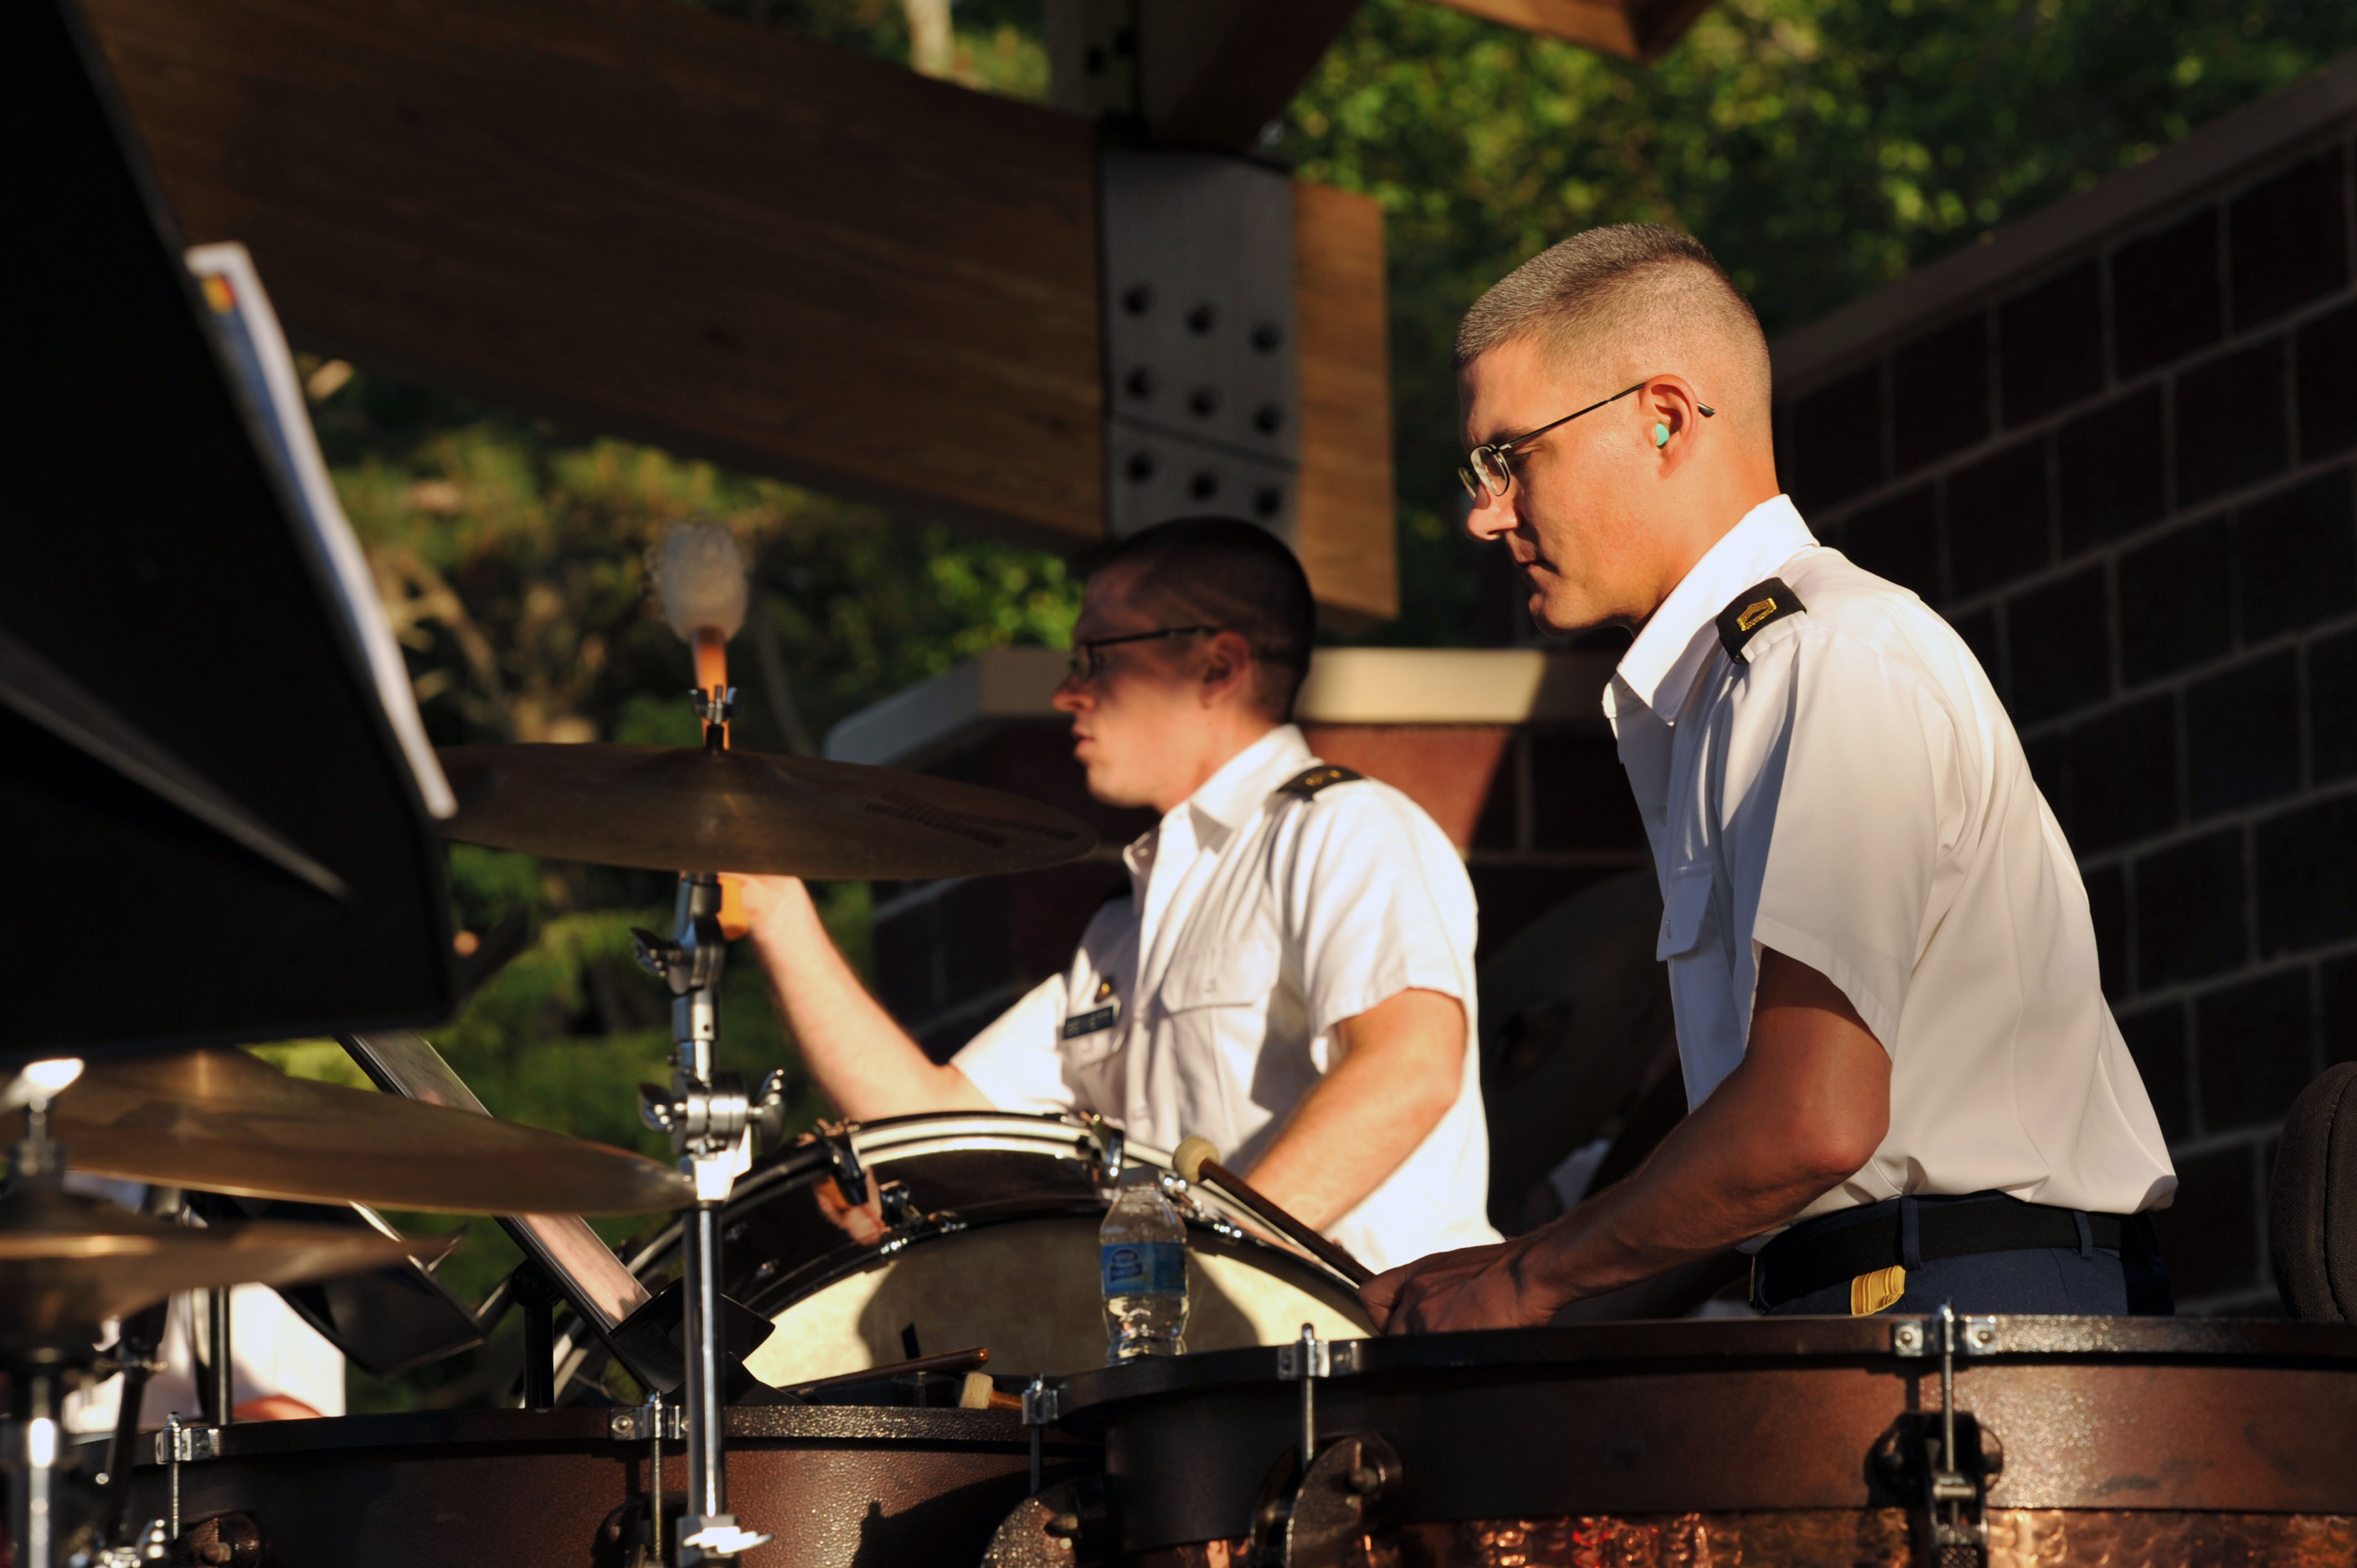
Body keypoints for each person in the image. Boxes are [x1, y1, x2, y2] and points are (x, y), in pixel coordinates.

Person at [1365, 225, 2175, 1329]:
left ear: (1663, 418)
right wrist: (1506, 1268)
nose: (1484, 512)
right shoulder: (1735, 684)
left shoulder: (1821, 658)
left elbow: (1813, 1117)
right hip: (1890, 1296)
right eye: (1479, 469)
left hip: (1968, 1318)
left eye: (1512, 457)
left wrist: (1526, 1282)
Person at [733, 518, 1500, 1273]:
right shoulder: (1125, 925)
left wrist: (1199, 1268)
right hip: (1231, 1365)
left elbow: (1409, 1069)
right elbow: (938, 1125)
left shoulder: (1341, 827)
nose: (1069, 692)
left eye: (1096, 657)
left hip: (1381, 1362)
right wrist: (778, 909)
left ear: (1216, 667)